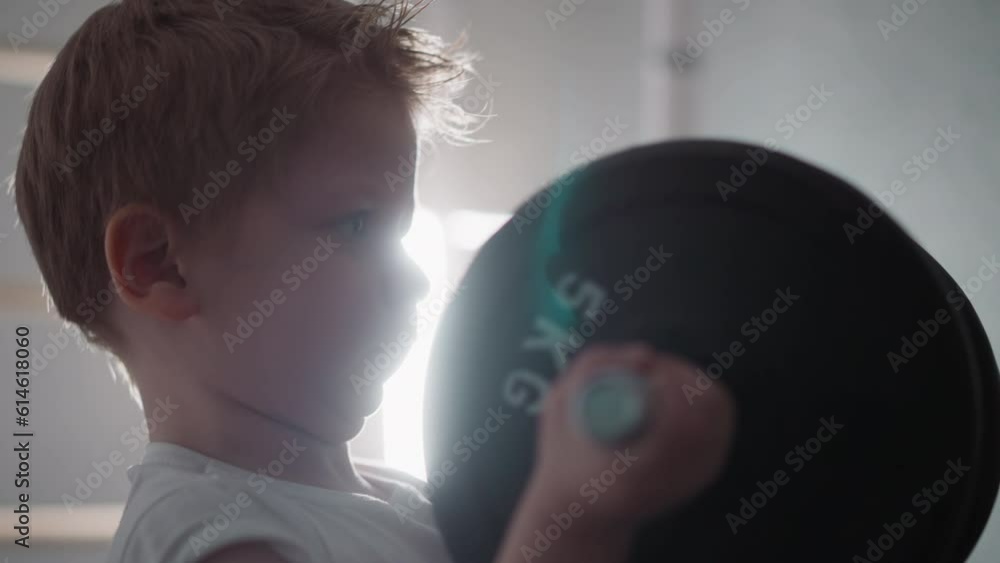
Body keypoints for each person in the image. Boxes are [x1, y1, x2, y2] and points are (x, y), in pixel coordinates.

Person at [13, 1, 734, 561]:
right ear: (157, 265)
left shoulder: (404, 498)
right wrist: (571, 520)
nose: (417, 279)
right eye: (358, 226)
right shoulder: (208, 533)